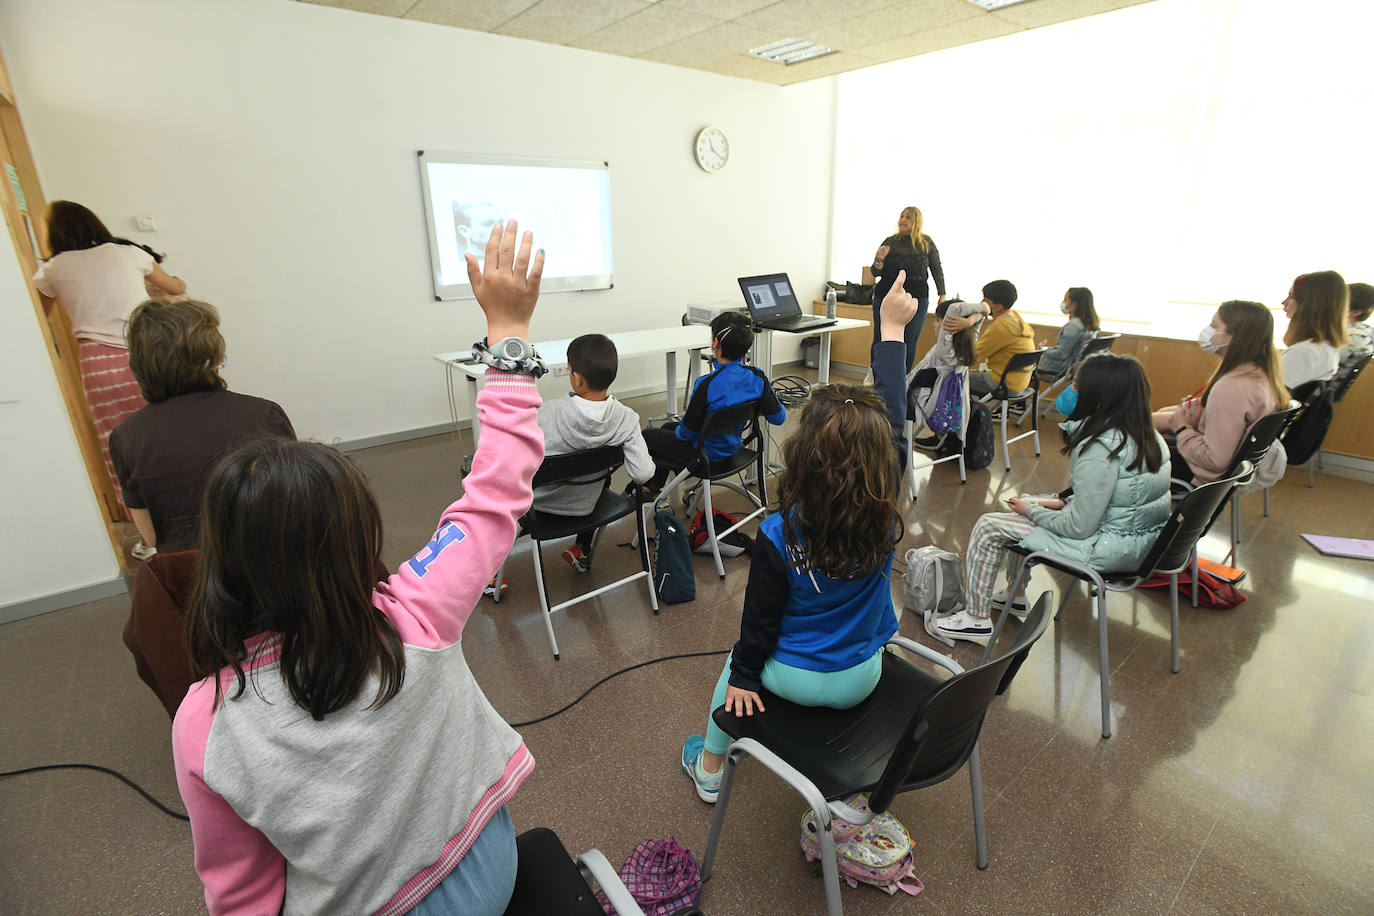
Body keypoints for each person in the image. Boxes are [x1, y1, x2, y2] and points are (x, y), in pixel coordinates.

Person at [173, 220, 545, 916]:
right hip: (486, 867)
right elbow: (496, 490)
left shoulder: (204, 722)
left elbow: (241, 891)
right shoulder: (418, 611)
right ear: (355, 540)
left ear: (221, 561)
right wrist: (509, 327)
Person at [680, 275, 917, 802]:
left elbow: (759, 625)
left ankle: (711, 768)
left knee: (735, 664)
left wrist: (744, 677)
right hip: (862, 675)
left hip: (794, 678)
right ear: (883, 463)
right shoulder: (884, 509)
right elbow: (895, 421)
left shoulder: (778, 533)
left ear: (803, 456)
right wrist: (892, 331)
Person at [935, 354, 1171, 645]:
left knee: (989, 525)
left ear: (1097, 396)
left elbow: (1079, 528)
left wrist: (1032, 511)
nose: (1070, 390)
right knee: (1034, 503)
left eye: (1075, 385)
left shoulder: (1100, 448)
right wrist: (1052, 504)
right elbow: (1121, 502)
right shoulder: (1148, 435)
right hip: (1135, 542)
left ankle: (975, 619)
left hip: (1103, 549)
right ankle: (1015, 594)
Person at [109, 299, 295, 559]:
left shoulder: (126, 437)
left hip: (192, 578)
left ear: (138, 366)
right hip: (274, 562)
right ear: (213, 357)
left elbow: (150, 537)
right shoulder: (265, 415)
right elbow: (298, 503)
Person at [32, 201, 188, 505]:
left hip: (98, 363)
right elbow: (173, 287)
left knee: (114, 439)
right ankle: (184, 502)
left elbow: (36, 316)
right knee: (167, 427)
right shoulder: (130, 253)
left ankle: (142, 522)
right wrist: (175, 281)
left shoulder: (52, 269)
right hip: (147, 352)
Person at [530, 333, 653, 572]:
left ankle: (490, 574)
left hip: (540, 510)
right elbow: (643, 474)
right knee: (599, 471)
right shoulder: (626, 418)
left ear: (576, 378)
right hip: (589, 506)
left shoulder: (544, 414)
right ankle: (582, 549)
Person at [643, 311, 785, 492]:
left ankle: (653, 488)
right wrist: (754, 408)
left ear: (715, 343)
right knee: (666, 429)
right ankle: (656, 485)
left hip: (705, 456)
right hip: (734, 448)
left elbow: (686, 434)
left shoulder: (706, 384)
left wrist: (681, 430)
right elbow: (778, 418)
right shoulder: (758, 376)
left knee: (648, 436)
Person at [1151, 301, 1287, 484]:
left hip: (1205, 475)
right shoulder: (1257, 374)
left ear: (1234, 337)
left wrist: (1182, 428)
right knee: (1152, 424)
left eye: (1215, 326)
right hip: (1223, 468)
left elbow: (1215, 460)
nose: (1208, 330)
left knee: (1130, 451)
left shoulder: (1231, 388)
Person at [870, 206, 947, 369]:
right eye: (902, 216)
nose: (903, 220)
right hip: (885, 298)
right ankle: (877, 380)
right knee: (880, 339)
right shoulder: (890, 241)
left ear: (916, 222)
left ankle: (902, 381)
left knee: (909, 340)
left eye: (908, 217)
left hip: (916, 300)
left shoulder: (926, 243)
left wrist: (942, 294)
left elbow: (936, 269)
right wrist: (879, 258)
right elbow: (875, 271)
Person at [909, 297, 981, 450]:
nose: (934, 324)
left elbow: (954, 308)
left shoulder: (945, 352)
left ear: (950, 322)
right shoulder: (964, 351)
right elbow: (978, 318)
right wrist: (972, 319)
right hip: (950, 409)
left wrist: (984, 307)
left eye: (938, 320)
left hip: (924, 405)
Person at [943, 279, 1034, 397]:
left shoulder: (1001, 327)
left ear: (997, 307)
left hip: (1001, 383)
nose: (981, 304)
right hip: (1018, 383)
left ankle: (959, 414)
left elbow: (972, 356)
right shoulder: (1014, 318)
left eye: (985, 301)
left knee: (949, 380)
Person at [1280, 271, 1348, 390]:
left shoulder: (1303, 352)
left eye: (1291, 297)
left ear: (1310, 305)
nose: (1283, 302)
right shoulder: (1326, 347)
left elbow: (1274, 399)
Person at [1037, 287, 1100, 376]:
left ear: (1074, 305)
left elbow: (1061, 354)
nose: (1063, 303)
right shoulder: (1091, 324)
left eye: (1065, 300)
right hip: (1078, 366)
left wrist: (1043, 349)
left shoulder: (1073, 327)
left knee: (1027, 365)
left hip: (1062, 367)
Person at [1337, 282, 1374, 380]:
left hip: (1317, 391)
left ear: (1356, 312)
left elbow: (1315, 362)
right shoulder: (1367, 331)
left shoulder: (1353, 337)